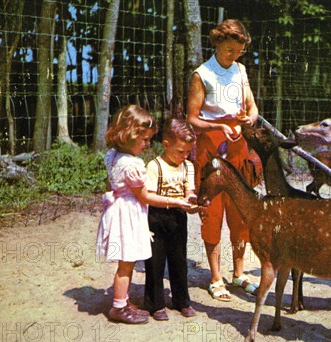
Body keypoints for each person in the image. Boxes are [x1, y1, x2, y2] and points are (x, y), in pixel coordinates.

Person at [96, 104, 198, 324]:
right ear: (130, 136)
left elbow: (111, 183)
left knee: (160, 260)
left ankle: (127, 301)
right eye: (144, 140)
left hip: (125, 211)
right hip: (135, 215)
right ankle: (125, 306)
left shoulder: (112, 156)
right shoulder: (137, 165)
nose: (147, 144)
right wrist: (176, 201)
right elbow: (145, 197)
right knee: (135, 261)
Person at [187, 19, 260, 301]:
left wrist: (248, 119)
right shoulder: (202, 74)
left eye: (238, 51)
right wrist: (218, 127)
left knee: (241, 210)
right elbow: (192, 118)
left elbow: (252, 107)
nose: (234, 55)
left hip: (239, 145)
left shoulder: (240, 71)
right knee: (213, 210)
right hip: (212, 148)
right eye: (229, 49)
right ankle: (216, 276)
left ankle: (239, 274)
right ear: (217, 43)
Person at [144, 118, 200, 320]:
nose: (184, 156)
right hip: (156, 217)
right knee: (155, 261)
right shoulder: (154, 166)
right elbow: (148, 196)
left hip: (178, 217)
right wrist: (175, 202)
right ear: (166, 144)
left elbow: (189, 191)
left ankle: (181, 300)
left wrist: (193, 201)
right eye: (180, 151)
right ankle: (155, 303)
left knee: (179, 260)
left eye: (188, 152)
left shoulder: (188, 166)